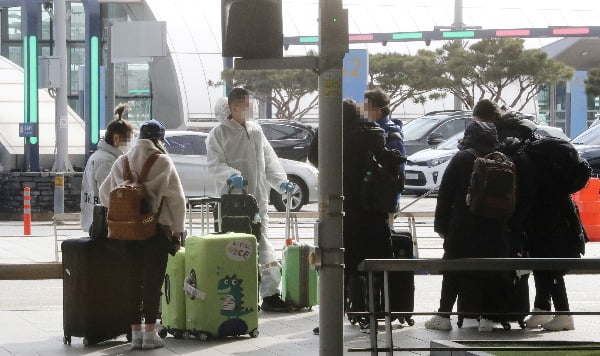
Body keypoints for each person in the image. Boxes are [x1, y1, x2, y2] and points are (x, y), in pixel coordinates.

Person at [99, 119, 186, 350]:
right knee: (151, 282)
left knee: (131, 282)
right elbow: (177, 201)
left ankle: (135, 335)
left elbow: (103, 194)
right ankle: (150, 335)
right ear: (158, 139)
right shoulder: (162, 161)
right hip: (154, 233)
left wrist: (126, 211)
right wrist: (178, 231)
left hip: (124, 234)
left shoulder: (122, 161)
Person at [206, 88, 295, 312]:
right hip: (233, 201)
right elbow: (214, 165)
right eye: (246, 105)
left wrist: (280, 182)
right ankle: (246, 291)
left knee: (262, 241)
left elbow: (269, 160)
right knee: (238, 245)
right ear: (234, 107)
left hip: (258, 198)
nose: (251, 108)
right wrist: (230, 175)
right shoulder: (219, 133)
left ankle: (269, 292)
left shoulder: (255, 130)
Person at [425, 120, 510, 332]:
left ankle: (444, 315)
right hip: (495, 228)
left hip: (463, 227)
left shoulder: (462, 158)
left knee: (452, 269)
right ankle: (488, 318)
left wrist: (442, 227)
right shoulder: (503, 160)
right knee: (490, 271)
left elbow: (445, 196)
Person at [80, 104, 133, 231]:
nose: (129, 145)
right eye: (128, 140)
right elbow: (111, 195)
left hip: (94, 220)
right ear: (116, 139)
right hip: (103, 224)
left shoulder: (98, 156)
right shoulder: (107, 161)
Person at [364, 88, 406, 226]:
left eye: (366, 108)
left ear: (377, 109)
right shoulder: (369, 130)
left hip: (383, 200)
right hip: (370, 199)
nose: (362, 112)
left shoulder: (390, 134)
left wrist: (393, 203)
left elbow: (396, 173)